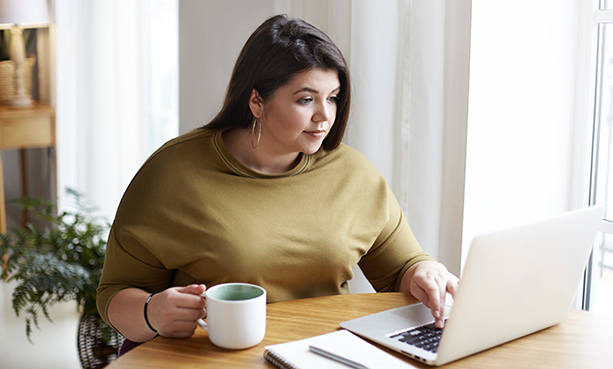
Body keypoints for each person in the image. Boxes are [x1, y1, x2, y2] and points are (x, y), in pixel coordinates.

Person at [97, 14, 458, 345]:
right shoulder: (173, 173)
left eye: (332, 98)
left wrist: (426, 273)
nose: (324, 116)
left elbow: (402, 269)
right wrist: (152, 311)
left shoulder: (351, 173)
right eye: (305, 99)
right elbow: (113, 294)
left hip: (329, 354)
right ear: (256, 101)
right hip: (216, 357)